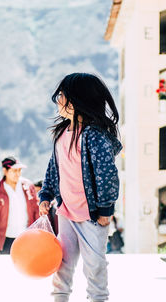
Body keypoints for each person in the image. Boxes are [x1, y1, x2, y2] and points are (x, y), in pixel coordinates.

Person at [39, 73, 122, 302]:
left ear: (77, 101)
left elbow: (107, 175)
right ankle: (59, 298)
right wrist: (45, 194)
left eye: (62, 94)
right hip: (66, 213)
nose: (58, 99)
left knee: (94, 264)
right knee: (62, 263)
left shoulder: (94, 136)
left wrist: (106, 210)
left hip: (91, 216)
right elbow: (54, 169)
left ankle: (98, 298)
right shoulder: (61, 134)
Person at [0, 156, 39, 254]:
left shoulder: (28, 186)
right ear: (5, 171)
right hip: (5, 238)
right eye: (14, 171)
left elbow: (36, 208)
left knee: (25, 267)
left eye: (19, 170)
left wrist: (39, 229)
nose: (18, 174)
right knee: (7, 266)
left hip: (27, 235)